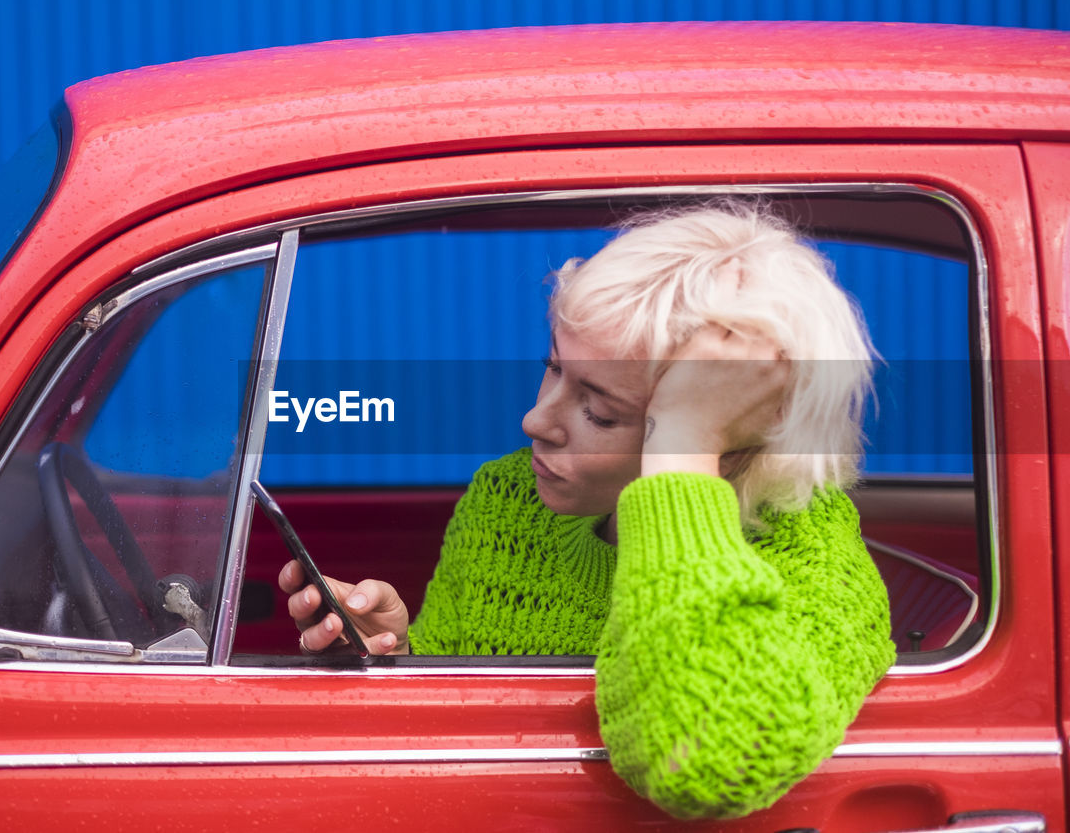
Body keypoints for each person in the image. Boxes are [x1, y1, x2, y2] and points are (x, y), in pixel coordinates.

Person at [277, 202, 896, 819]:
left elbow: (703, 761)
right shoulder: (510, 499)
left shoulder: (820, 578)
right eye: (553, 367)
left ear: (736, 434)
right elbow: (469, 698)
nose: (535, 421)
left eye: (600, 412)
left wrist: (683, 441)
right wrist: (399, 654)